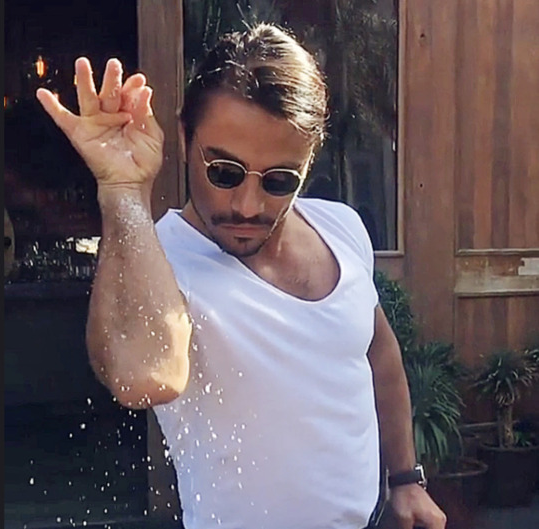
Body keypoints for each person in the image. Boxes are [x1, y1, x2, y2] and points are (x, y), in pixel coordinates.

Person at [36, 23, 446, 529]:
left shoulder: (340, 227)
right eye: (224, 172)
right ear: (184, 136)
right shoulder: (156, 259)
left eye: (279, 180)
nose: (248, 206)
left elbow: (378, 354)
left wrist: (405, 479)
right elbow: (141, 378)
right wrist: (123, 191)